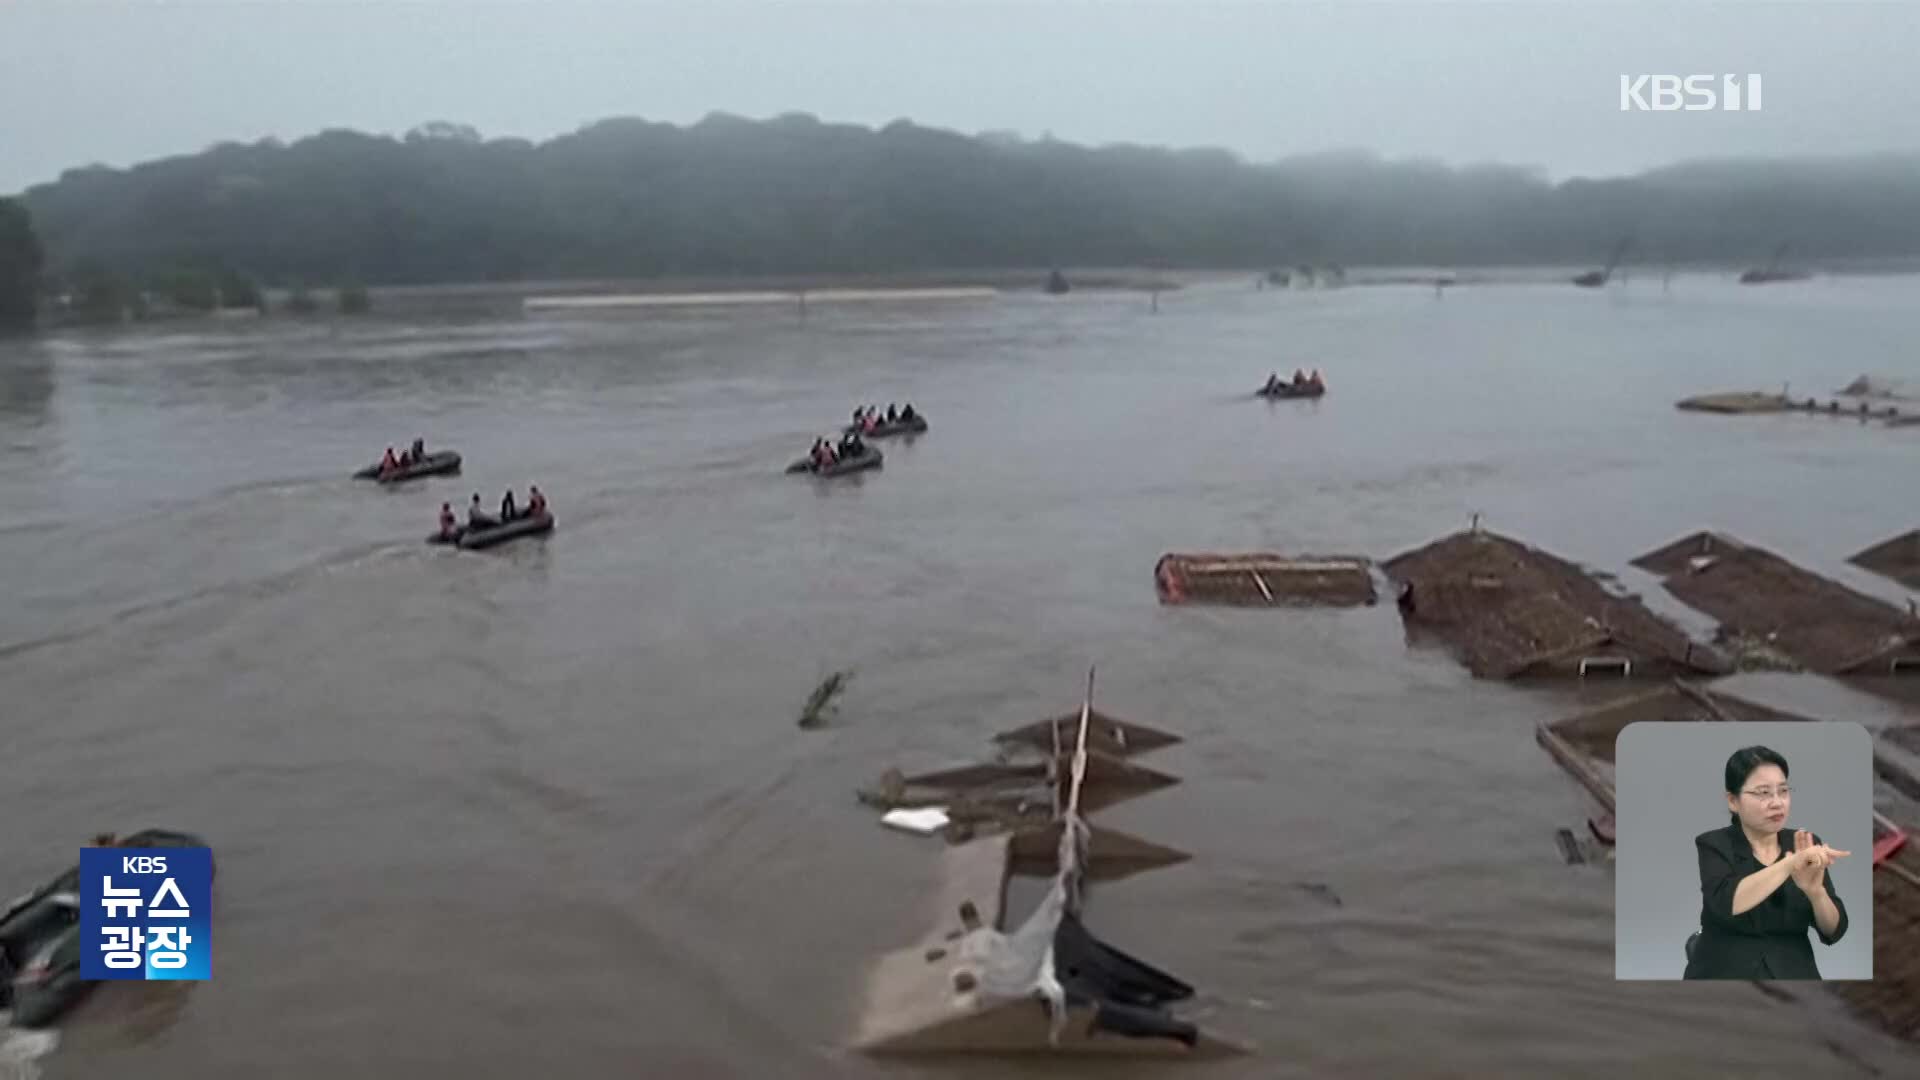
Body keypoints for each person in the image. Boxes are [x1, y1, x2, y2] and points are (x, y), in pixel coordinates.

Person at [1682, 745, 1850, 979]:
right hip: (1723, 975)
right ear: (1733, 801)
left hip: (1794, 976)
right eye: (1763, 793)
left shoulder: (1803, 843)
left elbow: (1834, 931)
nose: (1777, 802)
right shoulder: (1714, 844)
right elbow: (1727, 902)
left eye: (1783, 791)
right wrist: (1790, 864)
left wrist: (1815, 892)